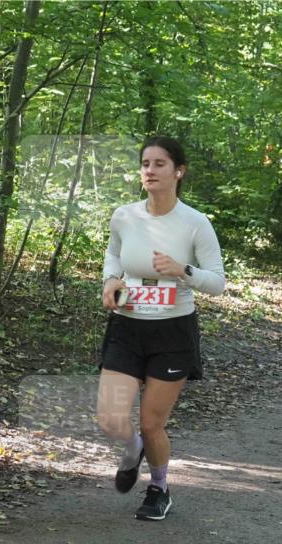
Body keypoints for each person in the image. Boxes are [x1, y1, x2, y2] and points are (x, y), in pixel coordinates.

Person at [96, 135, 225, 520]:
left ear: (178, 171)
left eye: (159, 164)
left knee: (152, 424)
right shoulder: (124, 216)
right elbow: (113, 254)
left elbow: (218, 282)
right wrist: (110, 280)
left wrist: (183, 270)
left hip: (172, 332)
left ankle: (159, 489)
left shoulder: (195, 223)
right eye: (145, 163)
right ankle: (132, 448)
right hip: (127, 326)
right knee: (110, 419)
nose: (149, 170)